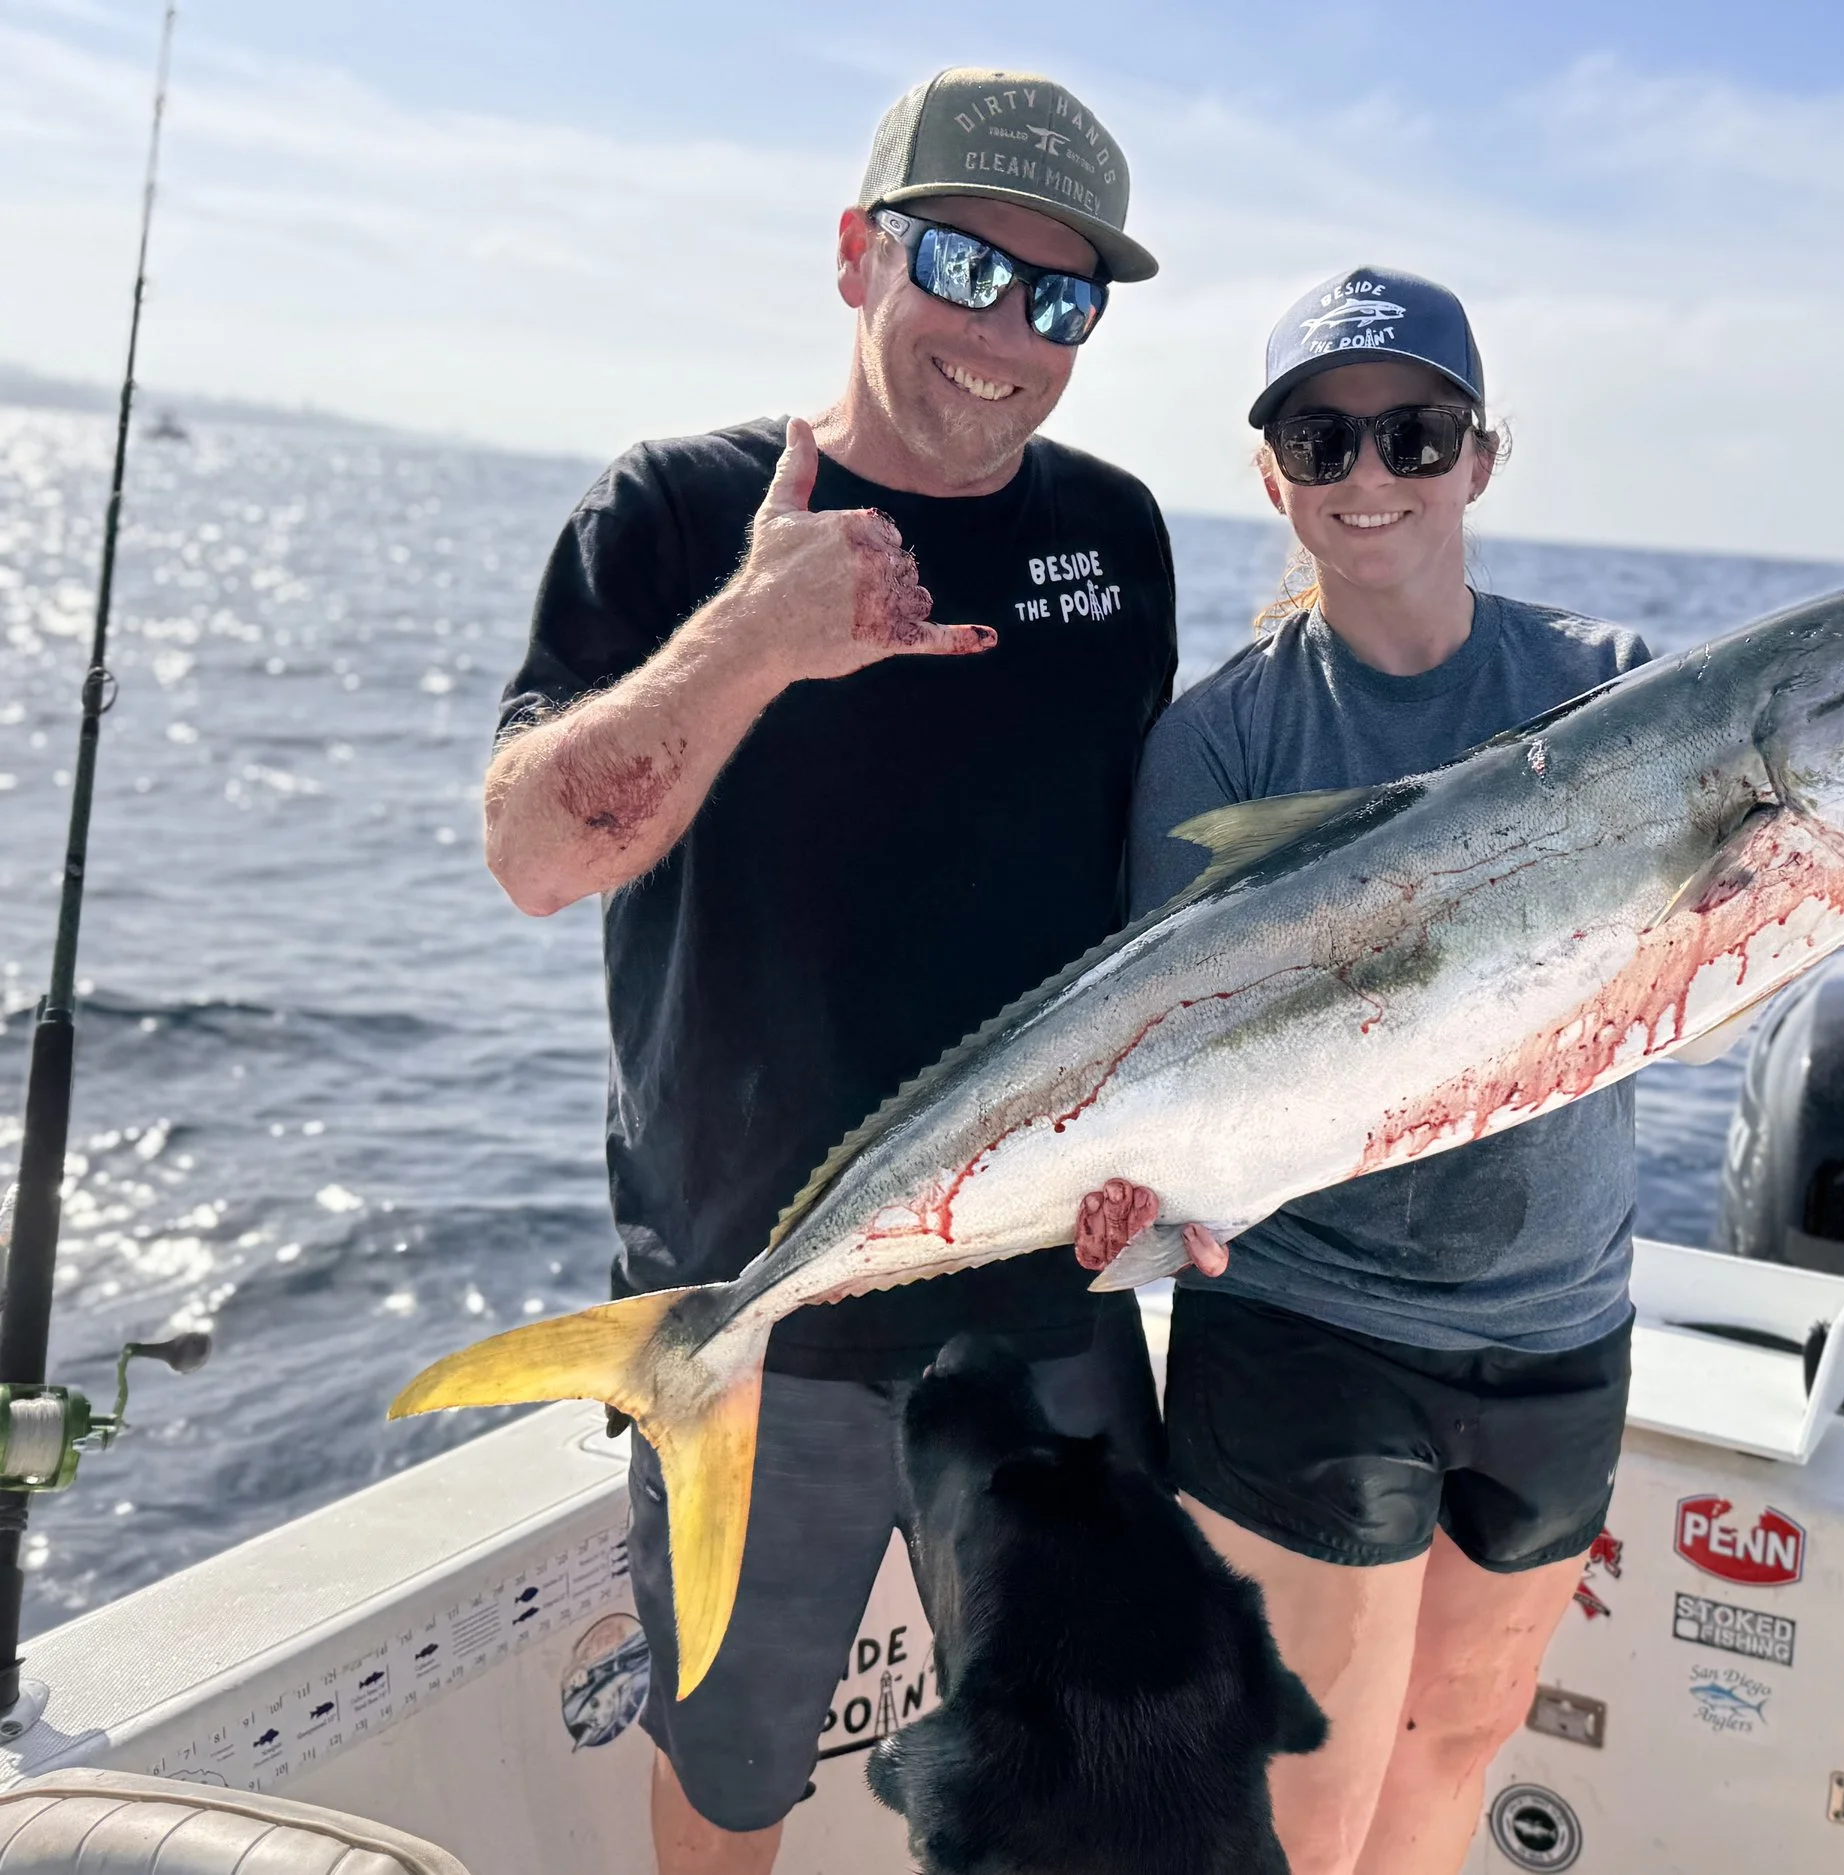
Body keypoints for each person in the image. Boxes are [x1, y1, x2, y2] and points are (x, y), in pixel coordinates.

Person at [486, 68, 1217, 1875]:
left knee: (1084, 1788)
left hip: (1041, 1310)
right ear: (852, 254)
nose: (1010, 337)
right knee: (735, 1782)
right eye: (965, 266)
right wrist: (752, 640)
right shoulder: (671, 514)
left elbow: (1143, 913)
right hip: (757, 1329)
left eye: (1064, 302)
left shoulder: (1117, 539)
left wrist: (1191, 1154)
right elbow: (531, 853)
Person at [1078, 267, 1649, 1875]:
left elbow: (1746, 920)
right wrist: (1131, 1200)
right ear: (1273, 481)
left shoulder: (1609, 686)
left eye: (1414, 432)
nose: (1372, 476)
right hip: (1309, 1323)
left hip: (1557, 1323)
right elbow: (1156, 1060)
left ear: (1482, 456)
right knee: (1298, 1804)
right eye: (1322, 442)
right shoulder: (1224, 745)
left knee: (1460, 1739)